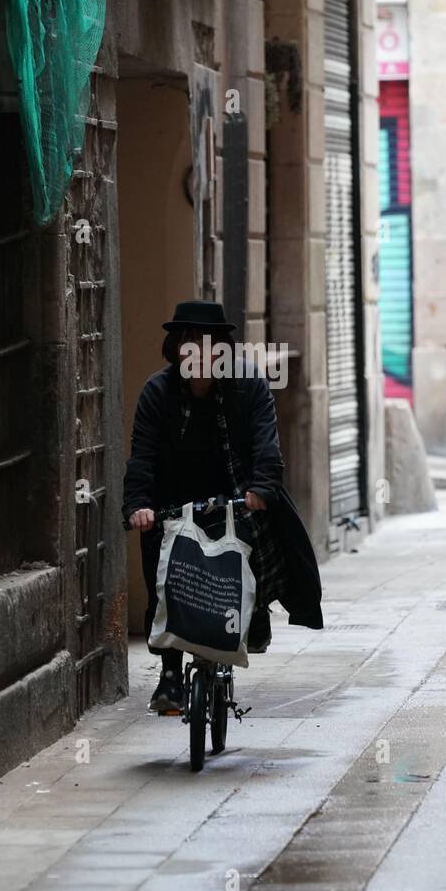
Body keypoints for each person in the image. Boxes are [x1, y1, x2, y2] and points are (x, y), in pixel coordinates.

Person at [123, 299, 323, 713]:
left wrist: (261, 489)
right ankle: (170, 674)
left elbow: (267, 445)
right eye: (189, 343)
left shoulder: (247, 386)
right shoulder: (157, 393)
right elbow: (142, 457)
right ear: (176, 347)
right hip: (173, 502)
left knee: (255, 552)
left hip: (234, 495)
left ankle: (255, 612)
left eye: (209, 344)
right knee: (163, 578)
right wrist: (140, 505)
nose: (199, 353)